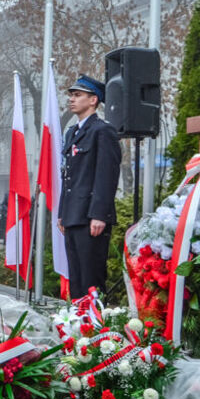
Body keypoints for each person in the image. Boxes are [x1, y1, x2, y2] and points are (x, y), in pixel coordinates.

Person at [57, 75, 121, 300]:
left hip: (90, 217)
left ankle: (96, 327)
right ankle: (78, 327)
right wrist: (62, 213)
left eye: (77, 95)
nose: (72, 100)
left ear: (93, 100)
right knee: (76, 278)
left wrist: (99, 215)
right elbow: (68, 176)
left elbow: (106, 175)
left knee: (91, 279)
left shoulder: (102, 131)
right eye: (71, 96)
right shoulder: (72, 133)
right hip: (73, 215)